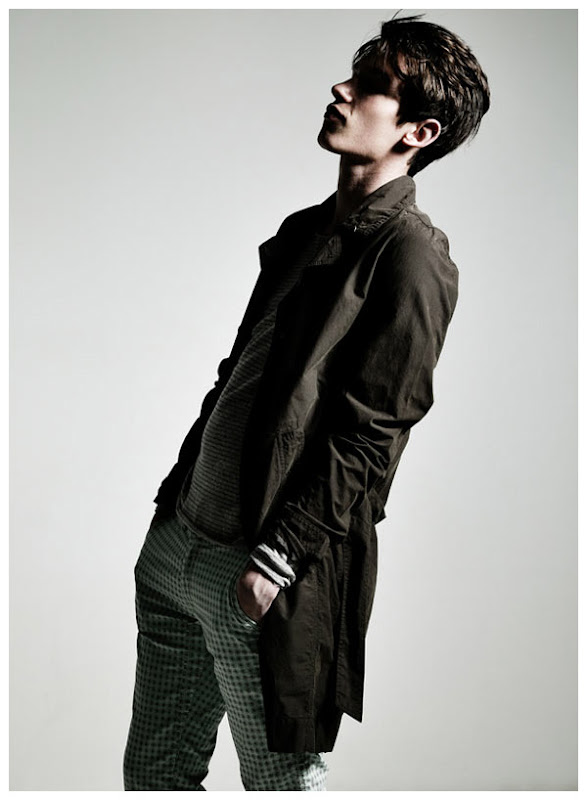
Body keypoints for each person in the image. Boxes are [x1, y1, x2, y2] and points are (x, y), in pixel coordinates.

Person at [123, 14, 490, 792]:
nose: (340, 89)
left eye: (372, 86)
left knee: (280, 786)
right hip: (175, 549)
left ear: (418, 132)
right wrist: (170, 508)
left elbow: (372, 434)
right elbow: (239, 376)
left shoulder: (413, 258)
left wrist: (276, 560)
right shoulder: (301, 232)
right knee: (154, 778)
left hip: (256, 569)